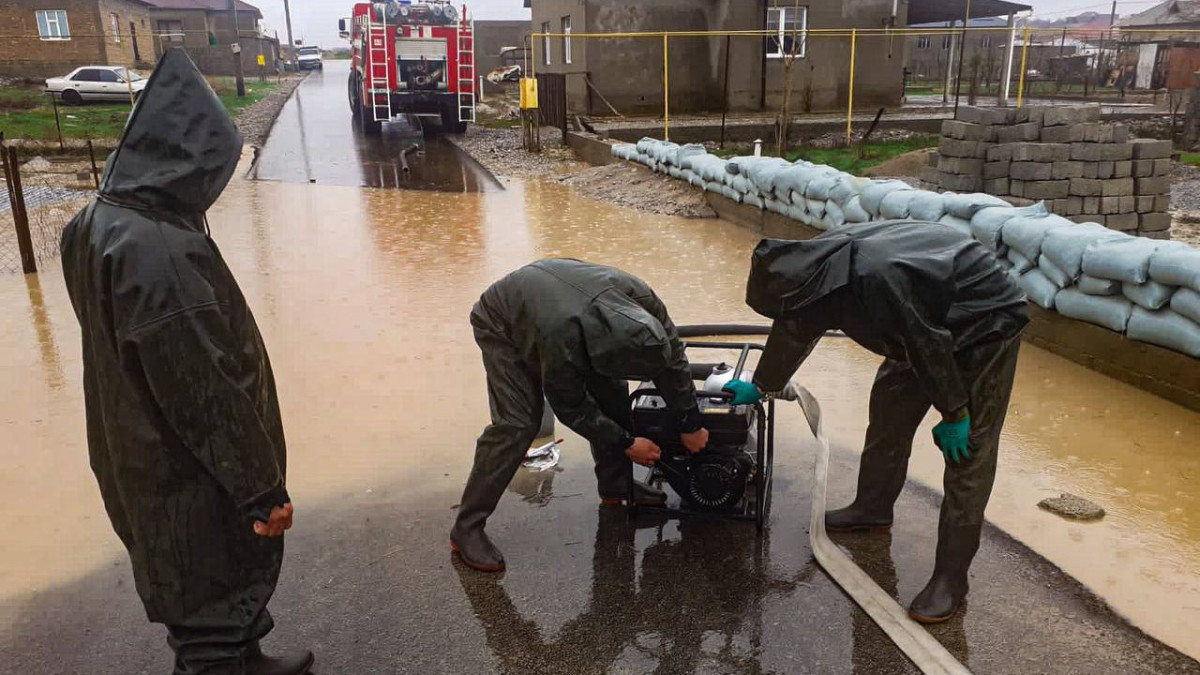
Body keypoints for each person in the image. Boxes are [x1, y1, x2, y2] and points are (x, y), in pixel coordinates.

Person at [60, 50, 312, 675]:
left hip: (134, 449)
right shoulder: (160, 252)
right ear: (185, 161)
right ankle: (226, 661)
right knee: (208, 593)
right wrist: (260, 488)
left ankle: (245, 657)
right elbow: (203, 386)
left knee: (207, 590)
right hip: (188, 468)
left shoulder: (93, 223)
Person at [724, 221, 1029, 623]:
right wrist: (762, 384)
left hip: (984, 322)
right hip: (921, 318)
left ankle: (952, 579)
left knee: (968, 450)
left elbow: (928, 343)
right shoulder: (813, 271)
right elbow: (796, 326)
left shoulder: (876, 278)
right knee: (889, 412)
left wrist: (954, 413)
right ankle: (872, 507)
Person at [453, 259, 710, 572]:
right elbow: (572, 407)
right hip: (501, 318)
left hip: (557, 295)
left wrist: (689, 421)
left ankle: (615, 484)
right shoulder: (561, 340)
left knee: (614, 395)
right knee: (519, 422)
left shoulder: (644, 301)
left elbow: (673, 362)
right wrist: (627, 443)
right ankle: (467, 528)